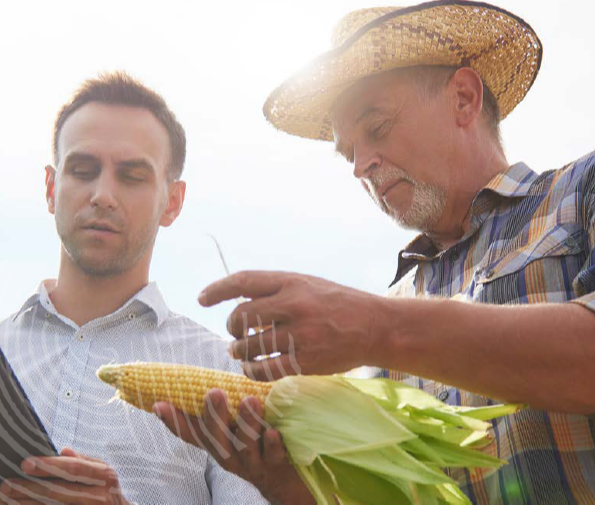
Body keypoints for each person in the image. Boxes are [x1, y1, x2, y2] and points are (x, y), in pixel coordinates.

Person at [153, 2, 595, 504]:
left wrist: (375, 329)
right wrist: (284, 484)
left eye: (377, 129)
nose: (362, 165)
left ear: (464, 99)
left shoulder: (580, 193)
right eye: (349, 152)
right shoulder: (385, 321)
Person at [0, 72, 270, 505]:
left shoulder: (226, 375)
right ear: (50, 188)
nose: (102, 194)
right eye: (83, 170)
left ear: (172, 202)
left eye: (132, 176)